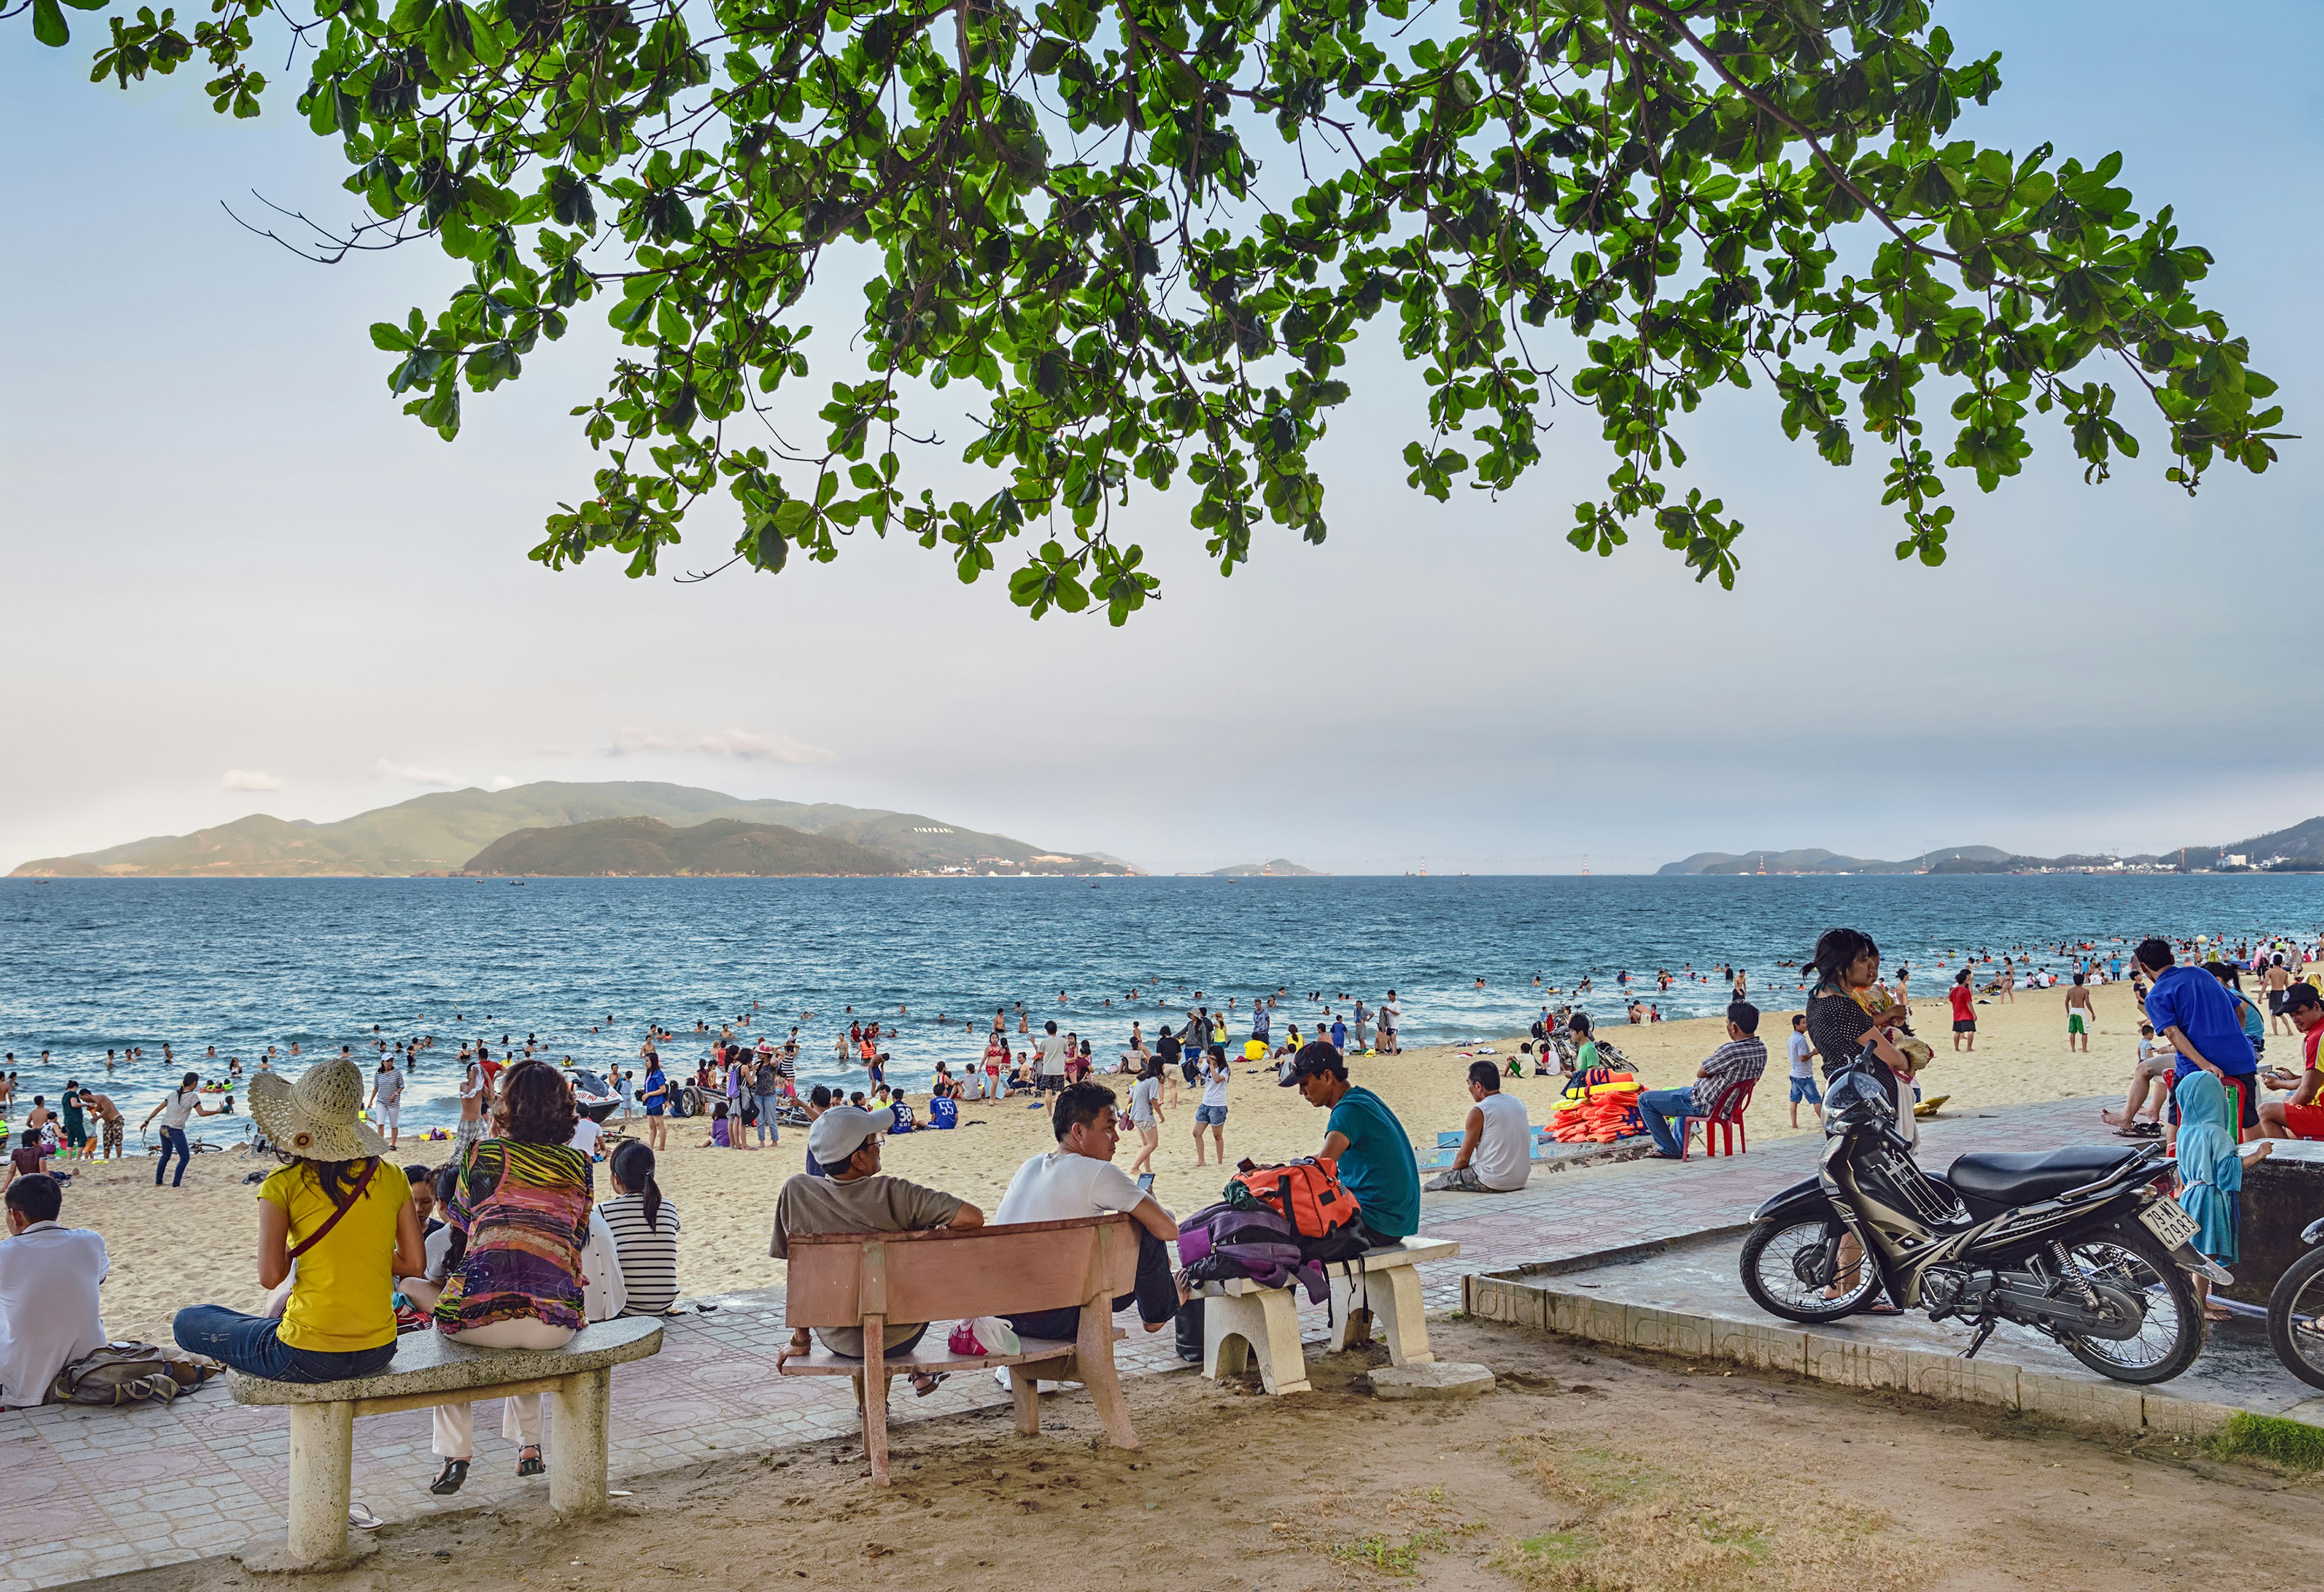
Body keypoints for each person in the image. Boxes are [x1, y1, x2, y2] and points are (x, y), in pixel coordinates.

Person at [401, 1059, 594, 1495]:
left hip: (478, 1325)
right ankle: (529, 1447)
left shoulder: (483, 1156)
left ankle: (456, 1451)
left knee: (444, 1331)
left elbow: (465, 1230)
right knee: (527, 1291)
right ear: (563, 1107)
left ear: (508, 1105)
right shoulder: (581, 1165)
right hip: (555, 1327)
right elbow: (575, 1239)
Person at [172, 1058, 421, 1383]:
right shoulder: (392, 1176)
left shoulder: (282, 1183)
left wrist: (316, 1255)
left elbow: (271, 1276)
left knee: (189, 1320)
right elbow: (414, 1264)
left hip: (308, 1354)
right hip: (379, 1348)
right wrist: (358, 1254)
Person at [770, 1106, 979, 1395]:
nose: (880, 1147)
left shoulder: (798, 1193)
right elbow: (973, 1218)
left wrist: (800, 1341)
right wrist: (923, 1235)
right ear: (858, 1159)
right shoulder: (896, 1194)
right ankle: (909, 1377)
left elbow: (800, 1275)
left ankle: (869, 1403)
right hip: (899, 1338)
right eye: (875, 1142)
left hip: (836, 1337)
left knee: (861, 1287)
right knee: (887, 1287)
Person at [992, 1082, 1181, 1341]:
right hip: (1056, 1317)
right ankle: (1160, 1312)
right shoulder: (1099, 1172)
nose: (1116, 1138)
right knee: (1146, 1225)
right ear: (1078, 1131)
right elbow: (1169, 1231)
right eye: (1108, 1128)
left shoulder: (1030, 1166)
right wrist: (1155, 1210)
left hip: (1004, 1314)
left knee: (1136, 1226)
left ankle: (1160, 1285)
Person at [1280, 1042, 1419, 1243]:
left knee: (1285, 1229)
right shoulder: (1363, 1098)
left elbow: (1321, 1169)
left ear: (1328, 1076)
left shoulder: (1347, 1111)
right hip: (1397, 1219)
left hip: (1376, 1222)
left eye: (1305, 1083)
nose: (1301, 1092)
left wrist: (1275, 1176)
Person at [0, 1176, 110, 1408]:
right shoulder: (91, 1241)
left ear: (16, 1215)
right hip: (90, 1373)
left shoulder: (5, 1253)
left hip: (26, 1388)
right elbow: (99, 1279)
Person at [2135, 938, 2260, 1141]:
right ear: (2173, 958)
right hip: (2240, 1059)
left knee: (2176, 1120)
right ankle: (2257, 1168)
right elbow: (2240, 1013)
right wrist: (2234, 1041)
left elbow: (2173, 1034)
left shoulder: (2155, 996)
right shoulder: (2200, 973)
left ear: (2143, 967)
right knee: (2248, 1119)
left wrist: (2205, 1065)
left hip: (2196, 1067)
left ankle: (2176, 1165)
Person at [1637, 1003, 1767, 1159]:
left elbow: (1701, 1072)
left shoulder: (1732, 1050)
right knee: (1680, 1092)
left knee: (1645, 1100)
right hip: (1729, 1104)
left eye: (1727, 1023)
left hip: (1705, 1104)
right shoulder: (1761, 1049)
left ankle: (1668, 1149)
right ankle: (1679, 1148)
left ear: (1734, 1027)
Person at [602, 1141, 681, 1316]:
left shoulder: (603, 1212)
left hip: (625, 1306)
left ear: (616, 1179)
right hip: (663, 1302)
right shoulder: (668, 1207)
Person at [1425, 1061, 1531, 1192]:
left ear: (1478, 1086)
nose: (1469, 1088)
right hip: (1521, 1179)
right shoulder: (1517, 1103)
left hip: (1493, 1180)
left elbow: (1463, 1158)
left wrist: (1452, 1177)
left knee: (1430, 1187)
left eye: (1469, 1083)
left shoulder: (1479, 1111)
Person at [2258, 983, 2324, 1139]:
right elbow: (2315, 1081)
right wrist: (2292, 1080)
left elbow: (2307, 1091)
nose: (2295, 1020)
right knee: (2286, 1103)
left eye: (2299, 1013)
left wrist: (2282, 1090)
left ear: (2316, 1007)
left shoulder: (2317, 1037)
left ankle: (2283, 1162)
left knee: (2265, 1111)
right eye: (2291, 1015)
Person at [140, 1072, 220, 1187]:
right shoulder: (193, 1096)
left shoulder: (173, 1094)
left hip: (163, 1128)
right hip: (175, 1130)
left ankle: (158, 1182)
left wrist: (147, 1121)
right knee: (185, 1158)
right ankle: (176, 1184)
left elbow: (158, 1108)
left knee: (165, 1156)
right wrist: (218, 1111)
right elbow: (202, 1113)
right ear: (194, 1083)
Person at [1192, 1044, 1230, 1167]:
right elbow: (1198, 1078)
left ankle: (1220, 1162)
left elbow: (1217, 1079)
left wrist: (1211, 1066)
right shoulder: (1207, 1068)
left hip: (1218, 1106)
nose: (1209, 1057)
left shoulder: (1225, 1069)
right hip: (1205, 1104)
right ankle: (1201, 1160)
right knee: (1197, 1132)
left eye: (1211, 1055)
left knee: (1217, 1136)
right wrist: (1193, 1068)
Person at [1126, 1060, 1164, 1179]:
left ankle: (1147, 1169)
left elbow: (1131, 1097)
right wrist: (1161, 1115)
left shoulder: (1140, 1079)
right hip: (1145, 1115)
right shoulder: (1153, 1080)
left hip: (1136, 1114)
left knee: (1146, 1144)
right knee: (1153, 1144)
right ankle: (1135, 1167)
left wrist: (1127, 1113)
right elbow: (1153, 1099)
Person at [1785, 1015, 1822, 1128]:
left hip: (1795, 1073)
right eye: (1803, 1023)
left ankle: (1794, 1124)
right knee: (1816, 1100)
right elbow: (1802, 1058)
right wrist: (1814, 1053)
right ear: (1797, 1025)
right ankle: (1825, 1122)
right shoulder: (1800, 1040)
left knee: (1794, 1099)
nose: (1806, 1025)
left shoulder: (1792, 1038)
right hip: (1803, 1076)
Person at [369, 1055, 405, 1148]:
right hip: (381, 1102)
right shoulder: (378, 1074)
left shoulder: (397, 1073)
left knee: (394, 1124)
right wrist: (371, 1101)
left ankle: (393, 1145)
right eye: (388, 1061)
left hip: (394, 1103)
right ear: (383, 1062)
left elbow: (402, 1086)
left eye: (391, 1061)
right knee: (380, 1123)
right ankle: (381, 1145)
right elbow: (376, 1087)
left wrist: (395, 1094)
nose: (390, 1063)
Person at [641, 1053, 669, 1151]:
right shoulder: (650, 1074)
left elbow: (663, 1089)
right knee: (652, 1126)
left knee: (659, 1124)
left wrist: (649, 1094)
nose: (646, 1063)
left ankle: (662, 1146)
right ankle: (651, 1147)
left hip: (656, 1101)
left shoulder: (658, 1074)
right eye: (645, 1061)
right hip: (650, 1102)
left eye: (648, 1061)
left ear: (653, 1062)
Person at [2064, 974, 2095, 1053]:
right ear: (2083, 981)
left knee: (2072, 1032)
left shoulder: (2070, 991)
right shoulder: (2085, 991)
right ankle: (2084, 1049)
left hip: (2072, 1011)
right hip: (2080, 1011)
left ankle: (2073, 1049)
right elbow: (2087, 1003)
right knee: (2084, 1031)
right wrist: (2092, 1012)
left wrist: (2068, 1012)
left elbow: (2066, 1002)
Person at [1036, 1020, 1069, 1094]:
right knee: (1059, 1091)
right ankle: (1057, 1105)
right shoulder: (1063, 1041)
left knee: (1048, 1092)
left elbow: (1040, 1052)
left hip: (1048, 1069)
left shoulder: (1045, 1041)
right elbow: (1066, 1052)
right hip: (1059, 1070)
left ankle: (1049, 1106)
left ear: (1047, 1031)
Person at [1948, 969, 1977, 1053]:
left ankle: (1956, 1048)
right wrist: (1974, 1014)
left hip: (1957, 1013)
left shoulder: (1954, 991)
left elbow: (1953, 1003)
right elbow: (1969, 1003)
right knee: (1971, 1030)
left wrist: (1955, 1010)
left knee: (1957, 1031)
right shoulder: (1966, 991)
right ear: (1965, 981)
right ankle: (1969, 1048)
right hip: (1966, 1013)